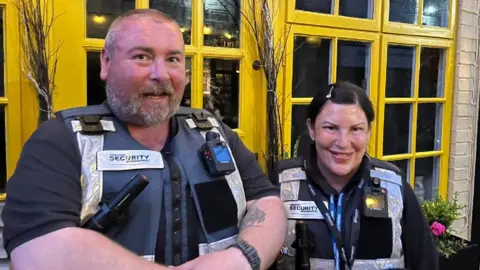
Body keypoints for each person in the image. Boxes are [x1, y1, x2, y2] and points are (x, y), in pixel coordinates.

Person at [2, 9, 288, 270]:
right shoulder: (62, 140)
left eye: (173, 59)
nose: (160, 74)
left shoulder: (212, 131)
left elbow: (266, 202)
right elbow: (37, 250)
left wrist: (240, 258)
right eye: (142, 57)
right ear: (106, 62)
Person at [274, 81, 438, 270]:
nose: (343, 143)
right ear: (312, 129)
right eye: (331, 128)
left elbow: (425, 263)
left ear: (368, 131)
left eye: (356, 129)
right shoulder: (282, 184)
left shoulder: (393, 185)